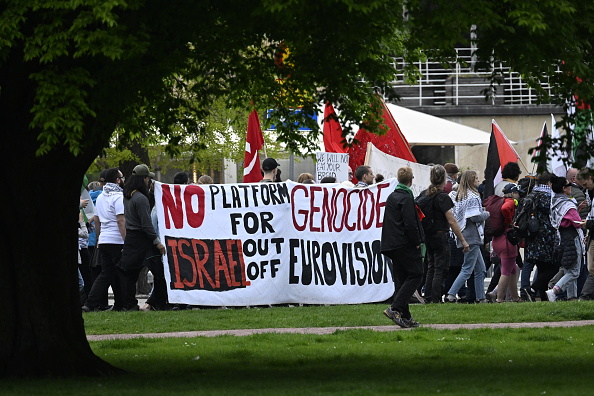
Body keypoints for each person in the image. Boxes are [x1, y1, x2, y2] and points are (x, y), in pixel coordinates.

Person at [116, 164, 166, 311]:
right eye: (148, 178)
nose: (149, 182)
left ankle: (129, 304)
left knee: (129, 273)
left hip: (132, 239)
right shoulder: (140, 198)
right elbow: (146, 224)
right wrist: (157, 242)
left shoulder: (128, 196)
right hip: (144, 240)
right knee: (159, 273)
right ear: (143, 178)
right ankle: (161, 303)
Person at [380, 166, 424, 328]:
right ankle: (395, 308)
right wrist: (417, 241)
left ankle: (406, 317)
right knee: (416, 274)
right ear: (411, 180)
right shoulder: (406, 198)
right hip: (405, 243)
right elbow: (410, 224)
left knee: (402, 279)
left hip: (392, 244)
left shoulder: (392, 196)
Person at [419, 165, 469, 303]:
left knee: (431, 267)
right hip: (440, 235)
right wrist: (463, 240)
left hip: (428, 235)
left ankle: (428, 295)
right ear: (444, 180)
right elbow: (452, 221)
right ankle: (436, 298)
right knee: (440, 268)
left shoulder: (424, 194)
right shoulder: (442, 197)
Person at [82, 168, 126, 312]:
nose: (123, 179)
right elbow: (121, 221)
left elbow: (97, 220)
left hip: (104, 240)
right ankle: (122, 303)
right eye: (122, 177)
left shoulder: (101, 197)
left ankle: (90, 303)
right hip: (117, 240)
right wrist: (126, 240)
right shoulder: (119, 197)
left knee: (105, 274)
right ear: (117, 180)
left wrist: (99, 239)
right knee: (121, 273)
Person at [445, 170, 490, 303]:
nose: (478, 180)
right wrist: (486, 214)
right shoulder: (472, 196)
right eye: (476, 178)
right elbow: (475, 217)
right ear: (471, 180)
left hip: (464, 233)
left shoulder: (458, 195)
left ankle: (481, 297)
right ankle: (451, 294)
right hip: (472, 236)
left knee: (480, 269)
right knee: (467, 268)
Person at [545, 176, 585, 302]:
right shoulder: (568, 204)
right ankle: (555, 290)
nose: (571, 189)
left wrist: (577, 210)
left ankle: (571, 298)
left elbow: (565, 218)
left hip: (561, 237)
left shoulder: (555, 201)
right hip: (572, 237)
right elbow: (577, 222)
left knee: (568, 268)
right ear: (564, 188)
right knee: (574, 272)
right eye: (568, 186)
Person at [524, 172, 558, 301]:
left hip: (532, 237)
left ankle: (543, 299)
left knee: (543, 268)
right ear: (549, 183)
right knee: (553, 268)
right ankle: (532, 289)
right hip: (545, 237)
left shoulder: (531, 194)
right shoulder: (547, 196)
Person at [490, 183, 522, 302]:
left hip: (497, 240)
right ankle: (499, 298)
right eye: (517, 193)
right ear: (513, 193)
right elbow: (505, 209)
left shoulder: (500, 201)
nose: (519, 195)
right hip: (507, 241)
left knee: (513, 269)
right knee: (506, 272)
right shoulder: (510, 202)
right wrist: (510, 222)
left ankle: (515, 298)